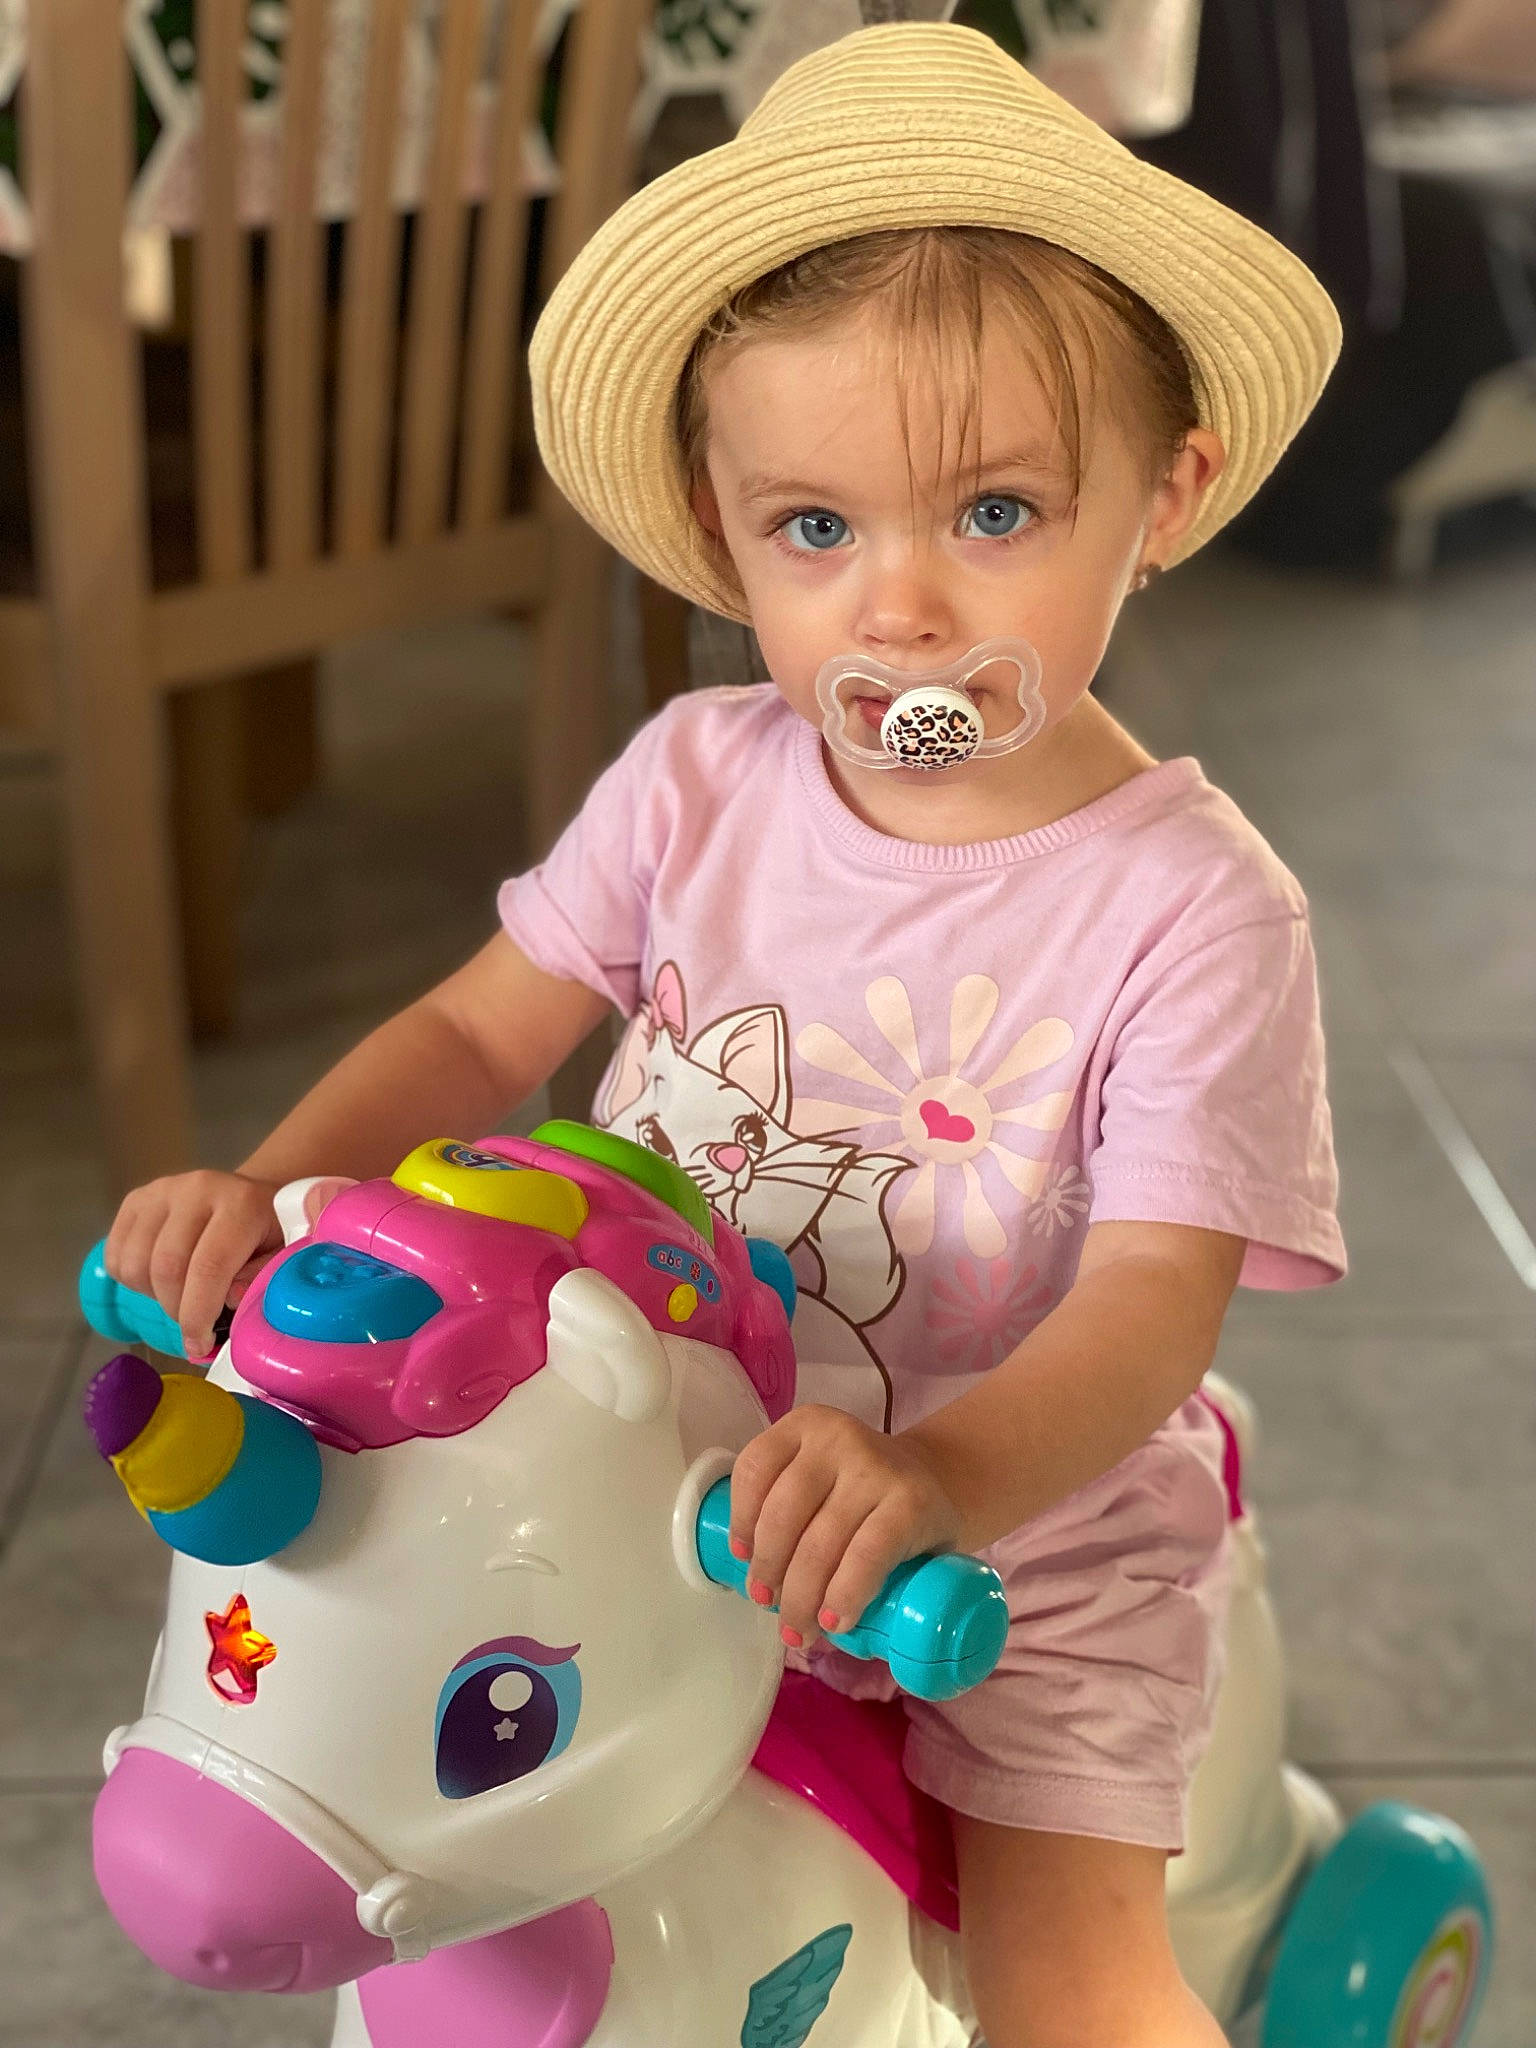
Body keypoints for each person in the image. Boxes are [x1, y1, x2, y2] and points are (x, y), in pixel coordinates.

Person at [101, 25, 1347, 2046]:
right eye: (818, 530)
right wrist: (258, 1189)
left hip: (1007, 1532)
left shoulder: (1193, 909)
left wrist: (934, 1477)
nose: (905, 611)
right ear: (720, 520)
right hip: (647, 1474)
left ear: (1168, 490)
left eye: (1001, 513)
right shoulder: (695, 778)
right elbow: (468, 1025)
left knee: (1066, 1983)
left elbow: (1148, 1312)